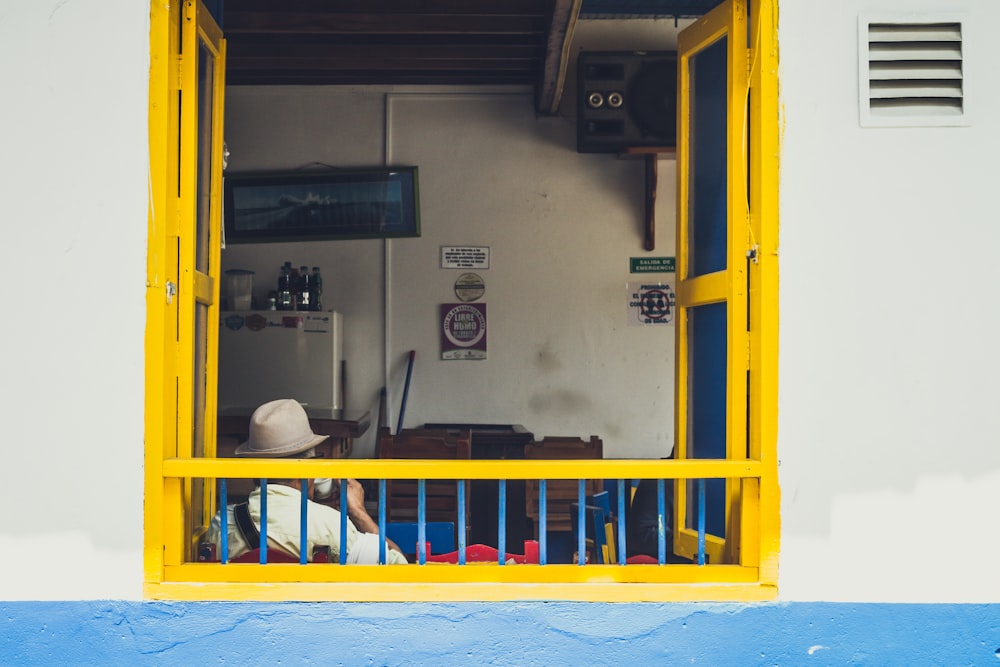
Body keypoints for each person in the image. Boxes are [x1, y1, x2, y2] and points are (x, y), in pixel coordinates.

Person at [208, 398, 408, 564]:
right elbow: (400, 567)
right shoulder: (332, 526)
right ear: (307, 469)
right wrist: (359, 513)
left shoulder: (223, 523)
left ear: (254, 471)